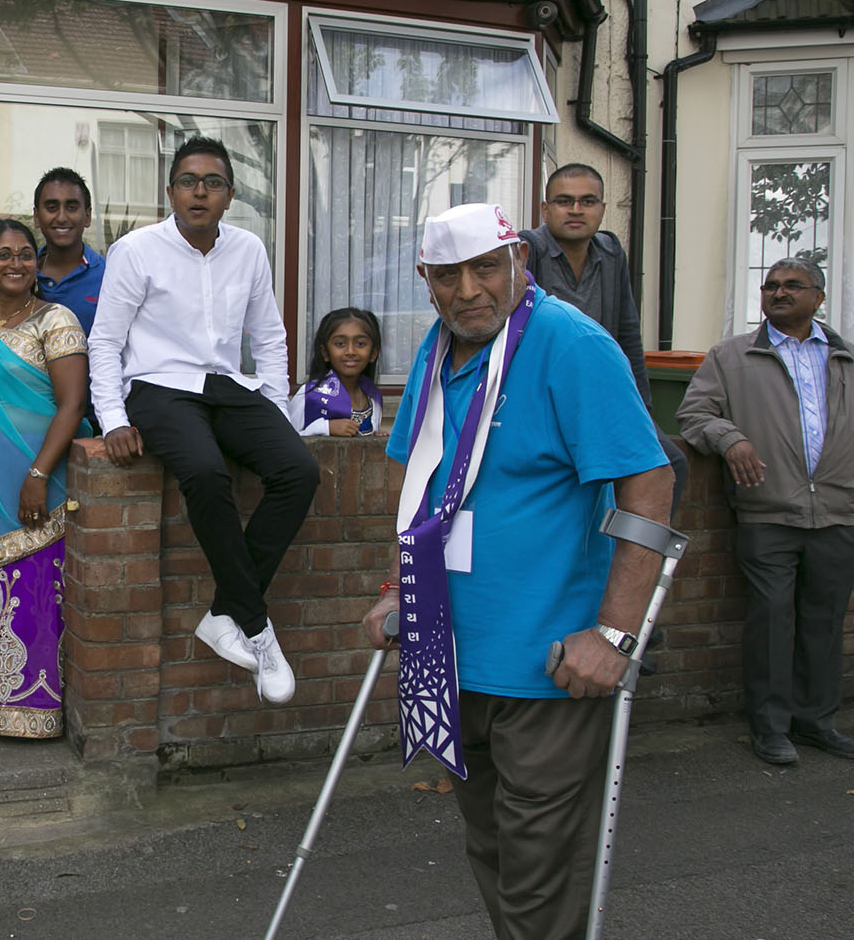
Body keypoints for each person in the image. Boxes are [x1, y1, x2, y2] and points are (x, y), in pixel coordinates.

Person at [362, 202, 672, 939]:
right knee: (495, 849)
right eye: (448, 274)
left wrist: (616, 634)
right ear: (426, 281)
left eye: (485, 268)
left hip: (549, 664)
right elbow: (425, 491)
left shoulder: (570, 344)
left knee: (537, 870)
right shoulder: (441, 350)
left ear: (518, 264)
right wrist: (399, 588)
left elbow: (649, 483)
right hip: (455, 654)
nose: (469, 289)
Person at [88, 136, 319, 705]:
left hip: (224, 388)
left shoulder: (249, 249)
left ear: (230, 195)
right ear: (170, 191)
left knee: (299, 470)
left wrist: (276, 407)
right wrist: (113, 417)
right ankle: (257, 628)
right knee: (206, 473)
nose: (200, 192)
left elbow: (268, 336)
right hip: (158, 388)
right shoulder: (136, 250)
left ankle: (223, 613)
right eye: (188, 181)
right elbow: (105, 342)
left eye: (212, 182)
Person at [676, 257, 854, 765]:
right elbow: (694, 414)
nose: (779, 293)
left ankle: (818, 722)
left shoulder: (845, 359)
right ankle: (771, 728)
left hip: (839, 511)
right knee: (772, 621)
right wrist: (730, 440)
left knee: (824, 622)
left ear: (818, 297)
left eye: (793, 286)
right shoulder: (731, 357)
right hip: (767, 511)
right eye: (771, 286)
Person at [0, 219, 90, 738]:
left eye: (26, 254)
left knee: (32, 582)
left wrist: (38, 472)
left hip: (37, 476)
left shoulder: (57, 321)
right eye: (2, 255)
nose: (15, 263)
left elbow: (72, 404)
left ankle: (34, 708)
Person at [520, 163, 688, 514]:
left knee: (669, 464)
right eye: (565, 201)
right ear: (545, 209)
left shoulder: (610, 253)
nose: (577, 210)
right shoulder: (528, 251)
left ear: (602, 209)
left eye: (587, 201)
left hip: (606, 393)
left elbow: (627, 334)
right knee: (580, 484)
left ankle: (642, 564)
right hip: (544, 397)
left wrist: (640, 406)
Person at [33, 167, 105, 337]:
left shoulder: (109, 275)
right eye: (51, 207)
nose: (61, 217)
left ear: (87, 217)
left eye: (72, 207)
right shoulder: (22, 274)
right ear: (36, 217)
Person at [289, 307, 383, 436]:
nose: (350, 351)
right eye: (340, 344)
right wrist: (325, 428)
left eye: (360, 344)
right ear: (325, 352)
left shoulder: (373, 398)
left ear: (373, 353)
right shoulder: (308, 395)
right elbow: (285, 441)